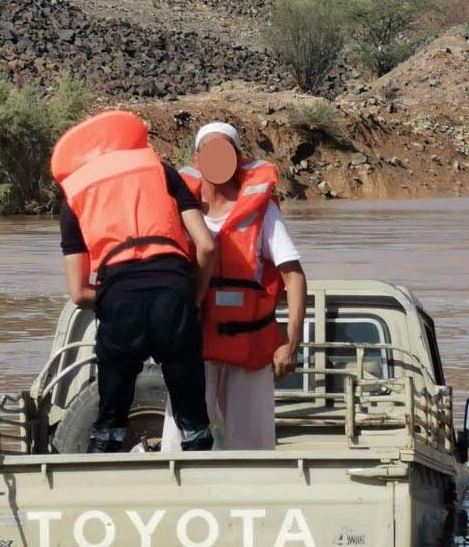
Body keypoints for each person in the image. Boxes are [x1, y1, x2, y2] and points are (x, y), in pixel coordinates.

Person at [52, 109, 216, 453]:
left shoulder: (75, 193)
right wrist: (194, 299)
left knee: (109, 422)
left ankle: (96, 480)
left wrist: (113, 296)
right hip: (173, 293)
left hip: (119, 300)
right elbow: (206, 246)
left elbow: (79, 293)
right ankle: (201, 479)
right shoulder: (161, 172)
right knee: (194, 424)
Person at [161, 121, 307, 452]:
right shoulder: (178, 212)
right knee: (177, 447)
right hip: (192, 348)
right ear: (196, 161)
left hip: (250, 349)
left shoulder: (263, 212)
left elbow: (294, 276)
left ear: (239, 159)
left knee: (254, 452)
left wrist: (291, 343)